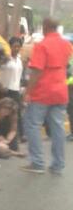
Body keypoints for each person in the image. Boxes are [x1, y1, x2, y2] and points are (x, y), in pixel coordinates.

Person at [22, 18, 73, 175]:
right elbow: (68, 65)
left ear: (45, 27)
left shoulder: (42, 45)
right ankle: (57, 164)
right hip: (61, 91)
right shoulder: (67, 45)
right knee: (57, 127)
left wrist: (27, 92)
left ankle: (37, 162)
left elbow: (36, 71)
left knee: (32, 123)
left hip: (43, 91)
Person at [0, 36, 24, 142]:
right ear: (10, 47)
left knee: (17, 112)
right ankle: (2, 134)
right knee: (4, 113)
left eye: (18, 46)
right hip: (5, 89)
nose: (16, 48)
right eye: (14, 46)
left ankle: (21, 135)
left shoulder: (19, 59)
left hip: (15, 89)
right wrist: (0, 85)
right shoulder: (5, 59)